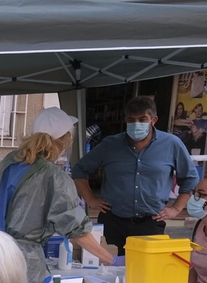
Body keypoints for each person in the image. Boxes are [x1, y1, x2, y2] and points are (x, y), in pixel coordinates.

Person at [0, 106, 115, 282]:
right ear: (65, 141)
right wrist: (111, 259)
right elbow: (76, 230)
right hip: (23, 263)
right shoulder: (54, 176)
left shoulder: (11, 160)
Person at [72, 95, 198, 254]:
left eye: (142, 119)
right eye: (131, 120)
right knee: (109, 265)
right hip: (113, 221)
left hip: (150, 222)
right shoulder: (110, 145)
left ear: (153, 120)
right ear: (125, 120)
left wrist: (176, 208)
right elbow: (79, 169)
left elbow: (190, 178)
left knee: (146, 267)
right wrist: (90, 199)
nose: (136, 124)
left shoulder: (171, 144)